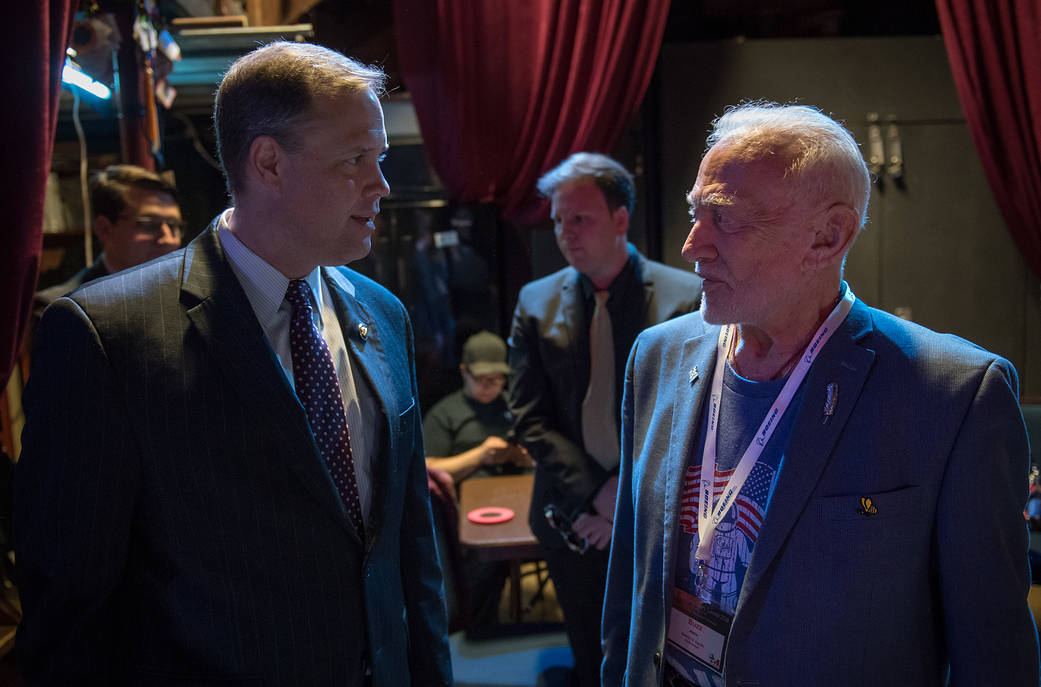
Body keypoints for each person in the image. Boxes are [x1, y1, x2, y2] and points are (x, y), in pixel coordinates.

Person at [15, 41, 452, 686]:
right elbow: (70, 603)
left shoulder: (384, 313)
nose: (380, 185)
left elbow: (409, 547)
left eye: (379, 158)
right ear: (269, 163)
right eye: (355, 160)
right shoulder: (109, 335)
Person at [602, 103, 1040, 687]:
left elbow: (995, 654)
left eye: (725, 218)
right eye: (694, 213)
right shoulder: (656, 356)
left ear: (827, 236)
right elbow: (629, 585)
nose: (691, 245)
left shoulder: (952, 395)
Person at [508, 152, 702, 687]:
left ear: (621, 219)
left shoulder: (684, 298)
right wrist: (595, 494)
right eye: (557, 220)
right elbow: (528, 414)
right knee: (586, 652)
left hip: (654, 513)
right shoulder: (534, 300)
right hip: (567, 515)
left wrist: (623, 502)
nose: (565, 233)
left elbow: (688, 414)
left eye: (580, 218)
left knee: (651, 655)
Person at [424, 330, 532, 629]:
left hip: (523, 501)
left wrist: (521, 456)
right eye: (482, 379)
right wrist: (481, 455)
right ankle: (479, 632)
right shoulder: (446, 413)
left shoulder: (517, 405)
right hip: (472, 514)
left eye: (497, 379)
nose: (490, 386)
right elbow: (427, 469)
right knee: (483, 570)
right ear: (464, 372)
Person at [33, 164, 182, 318]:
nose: (168, 240)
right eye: (148, 225)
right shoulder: (60, 309)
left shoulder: (187, 298)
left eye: (174, 226)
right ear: (104, 229)